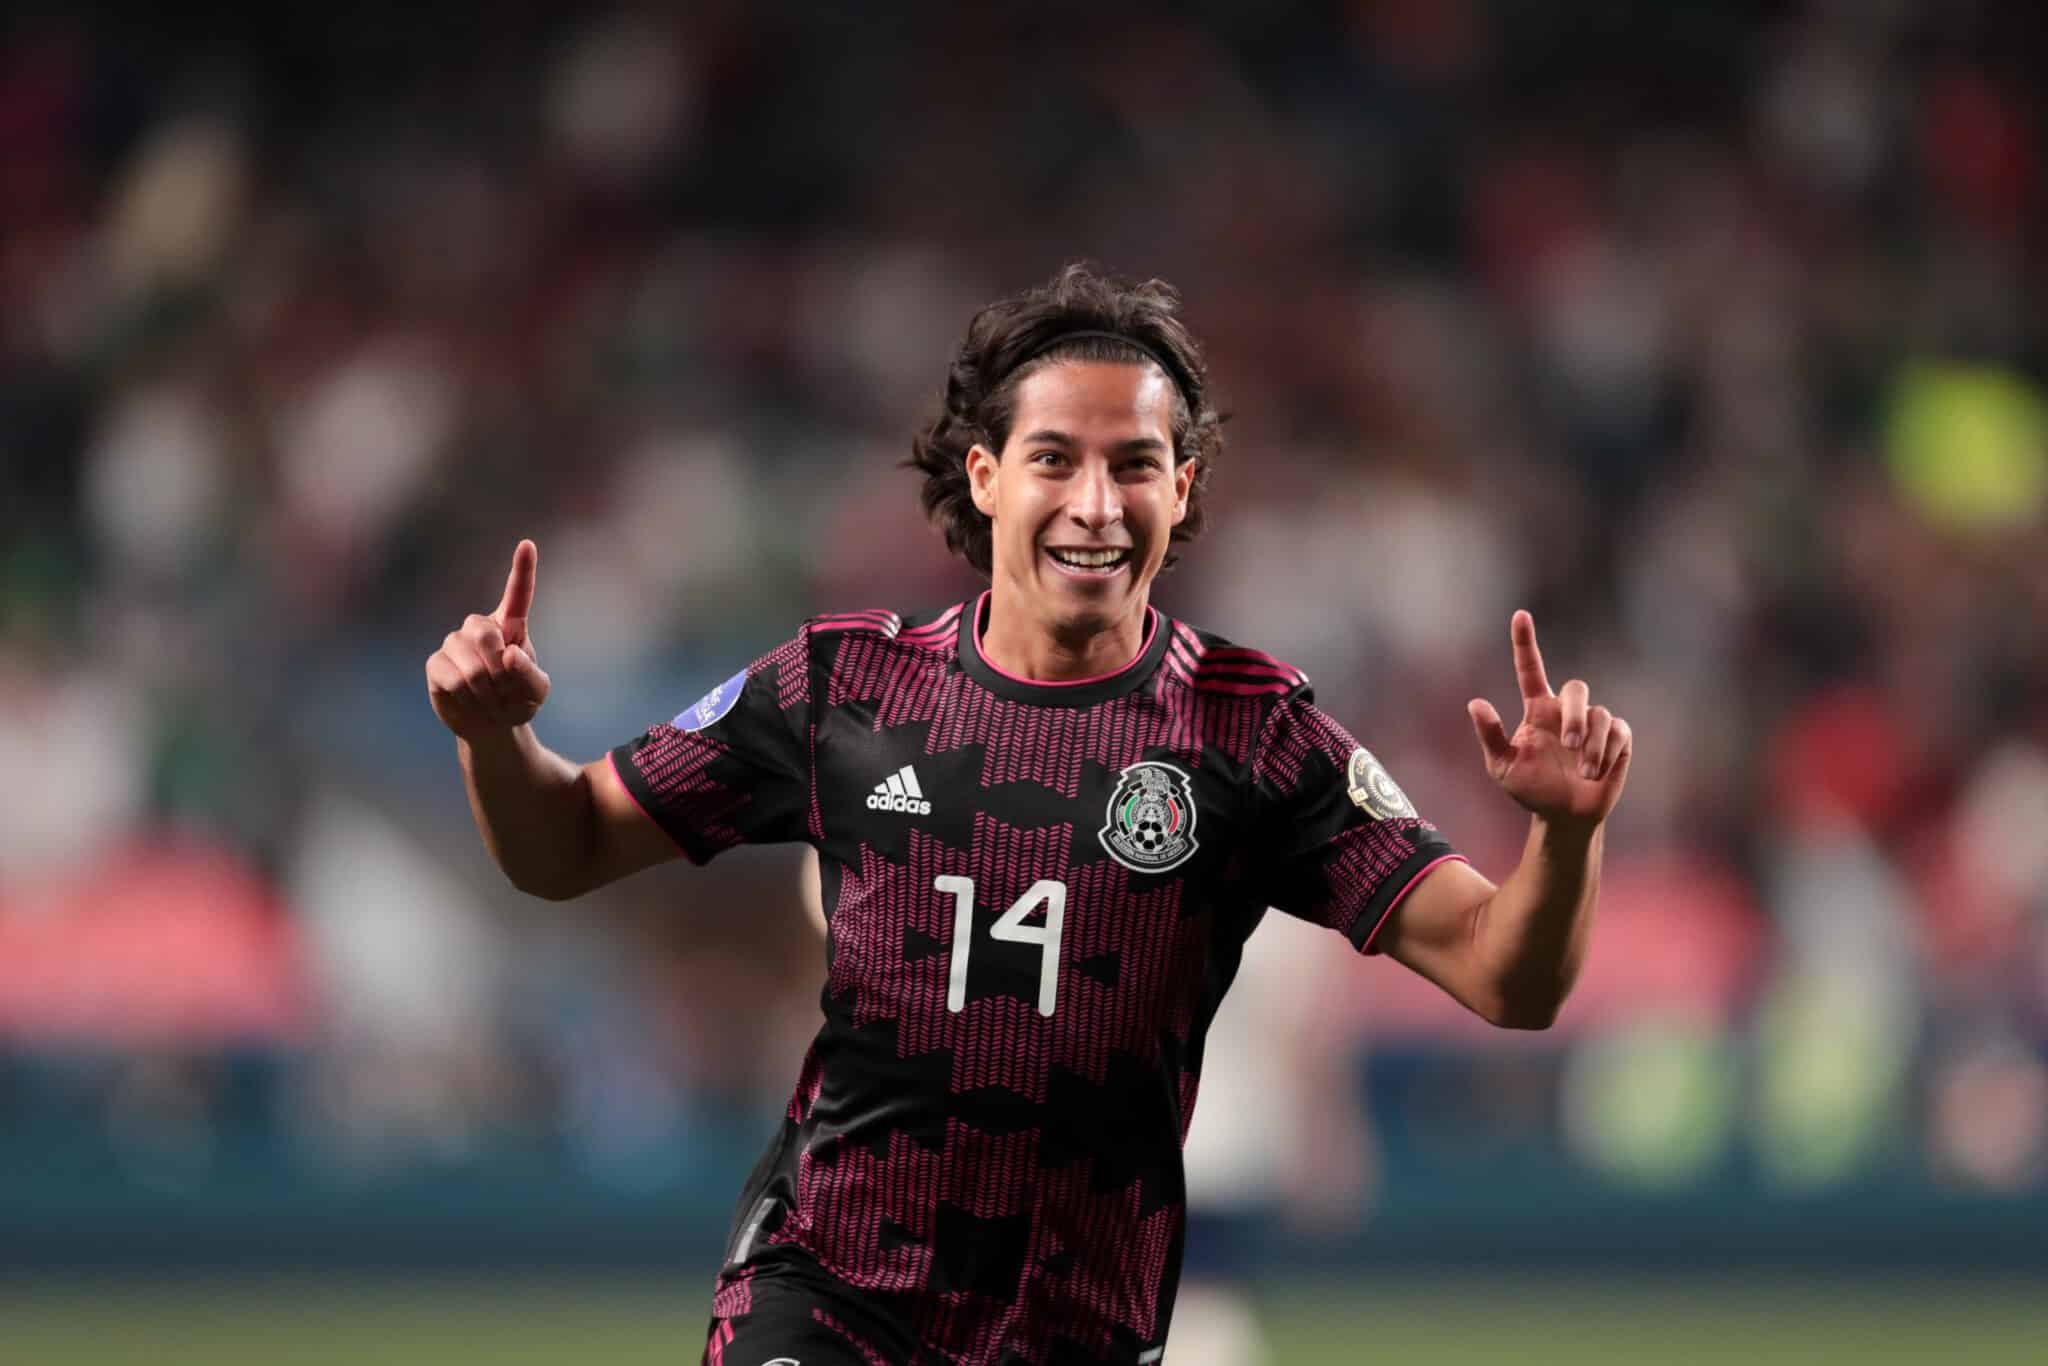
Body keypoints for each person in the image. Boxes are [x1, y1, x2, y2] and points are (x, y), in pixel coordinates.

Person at [424, 264, 1633, 1365]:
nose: (1096, 503)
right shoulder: (841, 685)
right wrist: (495, 737)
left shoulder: (1253, 733)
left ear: (1184, 484)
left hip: (1076, 1331)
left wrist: (1563, 836)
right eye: (1054, 458)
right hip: (829, 1289)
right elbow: (562, 847)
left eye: (1135, 463)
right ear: (985, 474)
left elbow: (1503, 978)